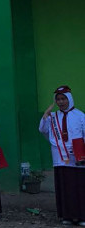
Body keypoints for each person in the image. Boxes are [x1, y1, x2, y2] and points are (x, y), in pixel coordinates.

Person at [38, 85, 85, 225]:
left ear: (69, 99)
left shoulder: (80, 115)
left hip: (78, 157)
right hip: (60, 157)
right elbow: (43, 130)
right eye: (58, 99)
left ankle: (82, 216)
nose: (61, 102)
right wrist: (45, 117)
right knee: (65, 187)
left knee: (79, 186)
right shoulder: (53, 117)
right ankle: (67, 216)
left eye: (63, 99)